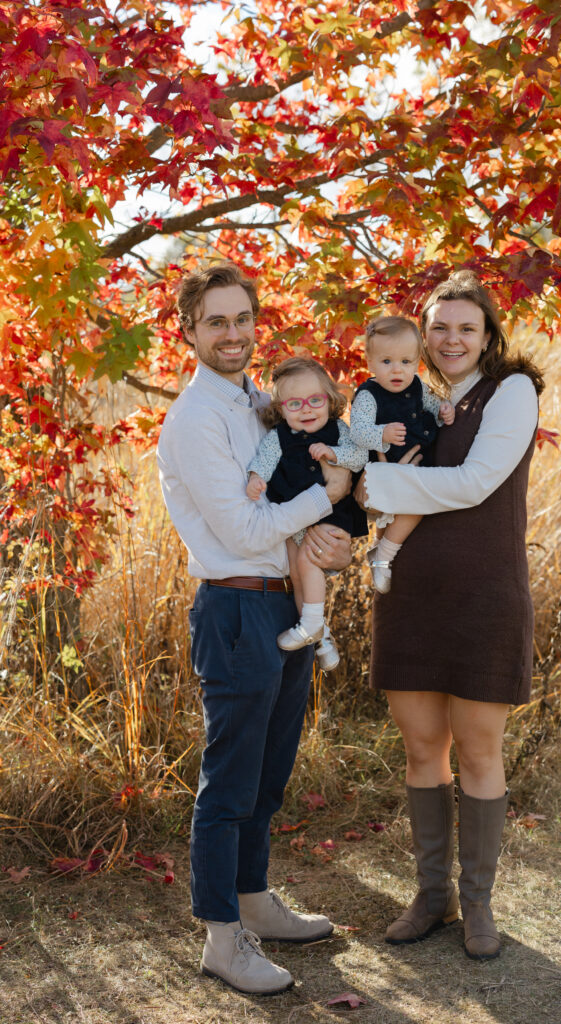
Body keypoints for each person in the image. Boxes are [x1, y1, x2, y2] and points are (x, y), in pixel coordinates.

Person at [157, 262, 353, 995]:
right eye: (216, 321)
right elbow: (241, 533)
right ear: (190, 330)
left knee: (268, 774)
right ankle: (221, 938)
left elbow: (294, 499)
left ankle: (254, 900)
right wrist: (325, 499)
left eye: (242, 319)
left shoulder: (260, 402)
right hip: (235, 608)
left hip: (280, 602)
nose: (232, 333)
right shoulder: (194, 417)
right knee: (230, 783)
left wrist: (330, 534)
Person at [356, 270, 544, 959]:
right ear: (422, 335)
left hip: (484, 594)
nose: (451, 338)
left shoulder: (512, 393)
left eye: (465, 326)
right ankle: (431, 897)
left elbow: (473, 483)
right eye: (439, 327)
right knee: (419, 748)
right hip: (411, 594)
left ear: (488, 334)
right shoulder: (417, 399)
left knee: (478, 748)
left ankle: (480, 904)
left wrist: (368, 485)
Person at [247, 357, 367, 670]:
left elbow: (358, 457)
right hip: (295, 515)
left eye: (315, 400)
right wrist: (256, 478)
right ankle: (320, 635)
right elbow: (265, 459)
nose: (306, 409)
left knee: (306, 560)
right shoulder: (278, 437)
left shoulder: (339, 430)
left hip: (331, 513)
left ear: (330, 400)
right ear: (280, 409)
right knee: (295, 569)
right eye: (294, 403)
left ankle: (313, 623)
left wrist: (333, 453)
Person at [349, 315, 454, 593]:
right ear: (369, 362)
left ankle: (377, 551)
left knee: (401, 511)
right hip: (384, 467)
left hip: (414, 464)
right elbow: (357, 432)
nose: (397, 370)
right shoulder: (368, 395)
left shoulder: (418, 386)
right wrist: (381, 434)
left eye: (406, 362)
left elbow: (434, 409)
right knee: (412, 506)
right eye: (386, 362)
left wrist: (444, 411)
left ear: (417, 361)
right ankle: (383, 557)